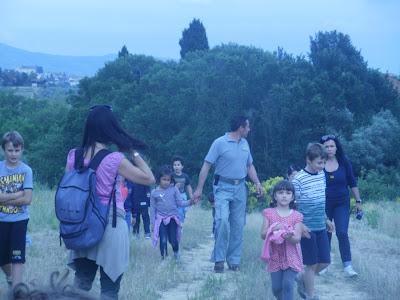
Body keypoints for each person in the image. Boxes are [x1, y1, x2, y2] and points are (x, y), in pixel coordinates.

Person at [64, 104, 155, 299]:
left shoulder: (73, 155)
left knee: (80, 286)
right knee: (109, 290)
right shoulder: (115, 159)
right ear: (110, 128)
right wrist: (133, 152)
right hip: (110, 225)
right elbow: (149, 179)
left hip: (80, 225)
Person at [193, 115, 264, 273]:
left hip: (240, 188)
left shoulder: (245, 144)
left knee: (238, 225)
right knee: (222, 221)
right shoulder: (219, 143)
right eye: (248, 127)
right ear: (241, 127)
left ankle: (234, 260)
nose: (249, 129)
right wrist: (199, 189)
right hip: (223, 187)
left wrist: (257, 183)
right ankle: (219, 259)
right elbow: (206, 166)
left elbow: (249, 166)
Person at [292, 143, 334, 300]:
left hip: (320, 226)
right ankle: (310, 296)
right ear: (308, 160)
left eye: (324, 162)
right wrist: (300, 225)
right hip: (306, 228)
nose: (322, 166)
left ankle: (302, 278)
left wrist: (326, 219)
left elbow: (320, 200)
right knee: (311, 264)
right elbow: (294, 206)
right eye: (319, 163)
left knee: (325, 261)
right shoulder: (299, 180)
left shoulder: (321, 175)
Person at [320, 134, 362, 277]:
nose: (329, 149)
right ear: (322, 148)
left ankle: (348, 266)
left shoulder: (344, 162)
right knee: (325, 233)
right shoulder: (318, 163)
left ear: (336, 147)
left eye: (332, 146)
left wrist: (358, 201)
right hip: (324, 204)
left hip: (342, 203)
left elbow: (352, 182)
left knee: (342, 233)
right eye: (326, 146)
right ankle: (324, 265)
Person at [261, 180, 304, 300]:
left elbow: (297, 238)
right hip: (275, 255)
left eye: (288, 193)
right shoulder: (268, 213)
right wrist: (273, 229)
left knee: (288, 284)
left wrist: (287, 235)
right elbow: (263, 234)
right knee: (276, 288)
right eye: (280, 192)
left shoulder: (297, 216)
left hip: (292, 256)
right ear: (275, 196)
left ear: (293, 197)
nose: (284, 195)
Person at [0, 131, 33, 288]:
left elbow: (28, 199)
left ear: (22, 150)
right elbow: (23, 196)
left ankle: (17, 291)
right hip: (1, 220)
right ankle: (11, 278)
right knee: (2, 258)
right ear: (3, 150)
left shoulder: (26, 170)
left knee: (17, 256)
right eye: (10, 150)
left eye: (17, 150)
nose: (14, 154)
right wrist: (18, 193)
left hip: (19, 220)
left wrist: (5, 197)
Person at [150, 165, 195, 260]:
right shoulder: (154, 193)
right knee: (163, 240)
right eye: (164, 179)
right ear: (159, 179)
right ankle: (164, 259)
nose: (166, 182)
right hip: (161, 219)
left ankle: (176, 253)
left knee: (173, 240)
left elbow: (180, 203)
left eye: (168, 180)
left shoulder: (174, 189)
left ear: (171, 180)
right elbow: (153, 209)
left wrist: (190, 202)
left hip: (172, 218)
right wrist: (153, 224)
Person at [171, 156, 193, 224]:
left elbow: (188, 186)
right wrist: (175, 187)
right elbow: (168, 187)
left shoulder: (185, 176)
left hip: (183, 195)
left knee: (183, 210)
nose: (176, 166)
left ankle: (181, 220)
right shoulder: (171, 176)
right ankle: (179, 224)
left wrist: (191, 196)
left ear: (182, 166)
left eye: (178, 165)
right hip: (174, 196)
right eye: (174, 165)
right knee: (178, 210)